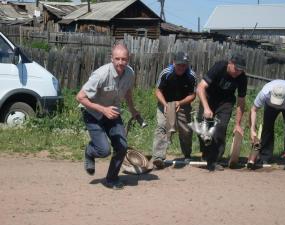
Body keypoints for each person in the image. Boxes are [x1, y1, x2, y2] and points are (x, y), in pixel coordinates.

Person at [76, 44, 140, 190]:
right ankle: (89, 151)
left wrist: (132, 109)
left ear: (128, 60)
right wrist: (102, 109)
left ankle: (111, 179)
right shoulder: (101, 74)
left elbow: (128, 91)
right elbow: (80, 97)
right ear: (111, 59)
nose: (120, 62)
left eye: (124, 59)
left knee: (122, 146)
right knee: (103, 150)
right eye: (117, 59)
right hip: (93, 113)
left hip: (112, 112)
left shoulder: (129, 73)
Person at [196, 52, 247, 171]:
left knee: (220, 127)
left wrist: (238, 124)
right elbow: (200, 87)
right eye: (236, 69)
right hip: (209, 97)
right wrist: (206, 108)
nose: (237, 72)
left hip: (226, 102)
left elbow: (241, 102)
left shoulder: (242, 78)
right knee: (201, 127)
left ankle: (214, 160)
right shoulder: (219, 67)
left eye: (240, 70)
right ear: (230, 63)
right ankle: (206, 153)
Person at [151, 52, 197, 169]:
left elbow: (192, 95)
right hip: (165, 102)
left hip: (183, 104)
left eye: (184, 65)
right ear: (174, 63)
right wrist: (165, 104)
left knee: (185, 131)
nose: (181, 67)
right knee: (162, 127)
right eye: (179, 65)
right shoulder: (166, 73)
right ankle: (158, 158)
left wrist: (179, 103)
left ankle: (187, 154)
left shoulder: (191, 76)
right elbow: (158, 91)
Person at [249, 79, 285, 169]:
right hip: (270, 104)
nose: (277, 105)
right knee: (267, 126)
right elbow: (253, 110)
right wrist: (252, 129)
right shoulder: (265, 93)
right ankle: (264, 156)